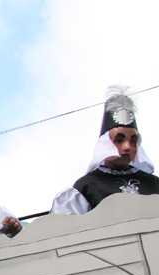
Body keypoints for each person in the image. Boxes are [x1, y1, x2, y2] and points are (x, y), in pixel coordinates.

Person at [51, 86, 159, 215]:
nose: (127, 147)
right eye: (119, 140)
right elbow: (65, 229)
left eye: (133, 140)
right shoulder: (86, 187)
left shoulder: (154, 183)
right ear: (104, 144)